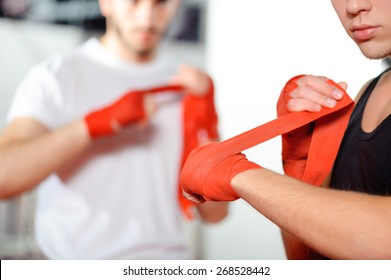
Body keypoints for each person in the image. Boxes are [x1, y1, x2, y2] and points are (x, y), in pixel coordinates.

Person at [0, 0, 227, 259]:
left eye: (161, 3)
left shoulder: (188, 83)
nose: (147, 18)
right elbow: (4, 178)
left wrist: (205, 122)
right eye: (134, 2)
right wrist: (90, 126)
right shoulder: (57, 76)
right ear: (106, 3)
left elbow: (216, 214)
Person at [181, 0, 391, 260]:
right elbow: (303, 257)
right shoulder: (369, 93)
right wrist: (300, 166)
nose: (354, 6)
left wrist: (241, 176)